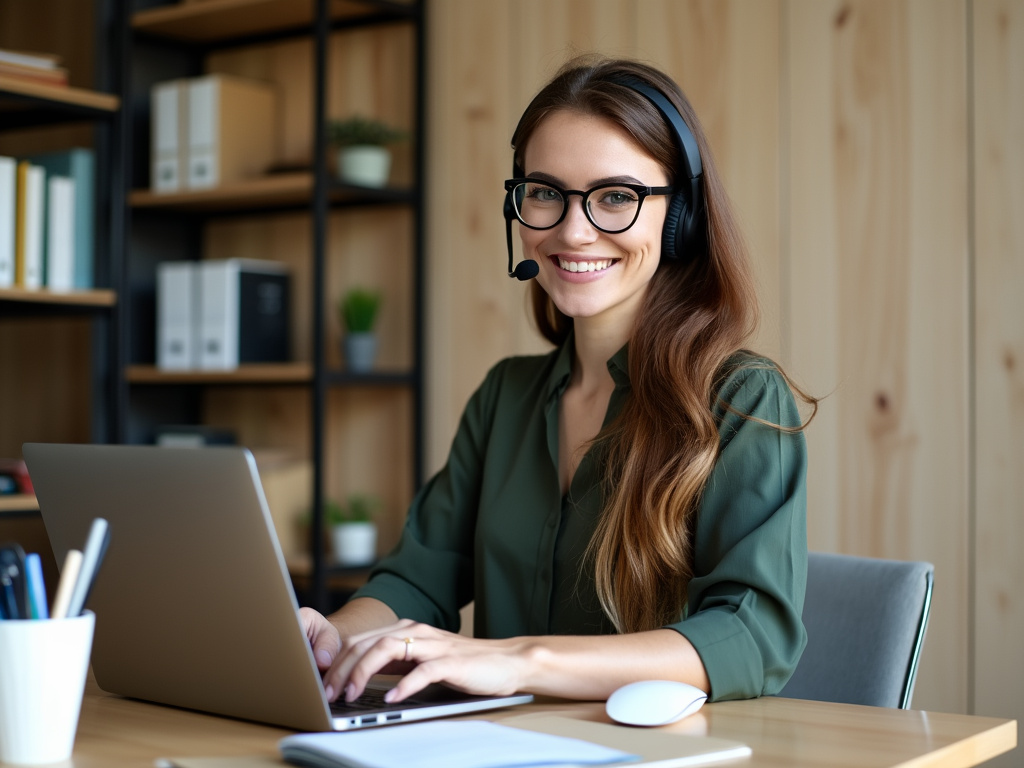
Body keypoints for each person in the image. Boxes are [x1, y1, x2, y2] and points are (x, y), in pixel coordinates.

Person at [301, 54, 816, 707]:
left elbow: (752, 636)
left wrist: (520, 661)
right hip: (495, 750)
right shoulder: (505, 397)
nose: (573, 230)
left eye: (615, 197)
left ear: (678, 216)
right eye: (545, 192)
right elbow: (416, 580)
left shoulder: (739, 400)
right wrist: (328, 639)